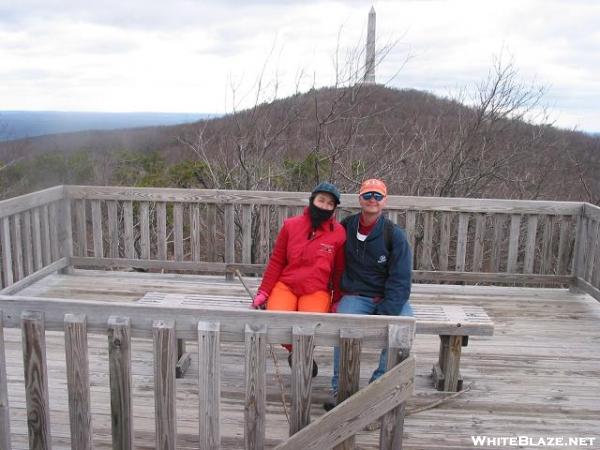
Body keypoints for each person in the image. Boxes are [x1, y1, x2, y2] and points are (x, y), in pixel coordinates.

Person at [325, 178, 412, 410]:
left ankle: (381, 386)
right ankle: (342, 388)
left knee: (402, 326)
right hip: (356, 294)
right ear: (359, 199)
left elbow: (401, 279)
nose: (372, 200)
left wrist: (385, 312)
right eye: (367, 195)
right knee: (343, 325)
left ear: (385, 201)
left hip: (388, 297)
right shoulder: (345, 227)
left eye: (377, 196)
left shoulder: (395, 235)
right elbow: (327, 258)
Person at [251, 182, 346, 377]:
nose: (324, 206)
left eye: (330, 204)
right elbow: (277, 261)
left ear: (334, 208)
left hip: (316, 289)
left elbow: (338, 270)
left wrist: (337, 299)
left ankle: (301, 353)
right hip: (287, 285)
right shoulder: (291, 225)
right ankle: (297, 353)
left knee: (310, 327)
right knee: (277, 321)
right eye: (321, 200)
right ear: (312, 200)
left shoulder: (338, 233)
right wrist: (263, 292)